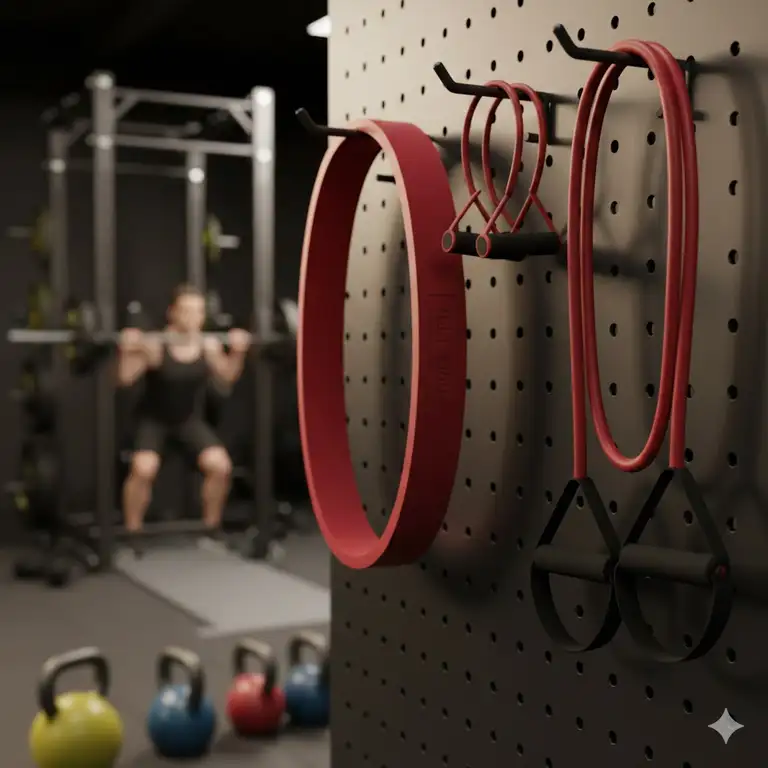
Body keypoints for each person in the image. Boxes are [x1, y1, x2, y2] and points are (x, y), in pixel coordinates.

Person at [116, 284, 251, 555]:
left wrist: (238, 352)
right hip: (154, 421)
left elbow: (227, 377)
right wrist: (127, 351)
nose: (193, 318)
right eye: (186, 311)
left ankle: (210, 530)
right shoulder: (156, 345)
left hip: (188, 421)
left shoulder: (208, 345)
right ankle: (133, 533)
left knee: (221, 467)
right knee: (143, 469)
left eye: (198, 312)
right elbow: (124, 378)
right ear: (172, 313)